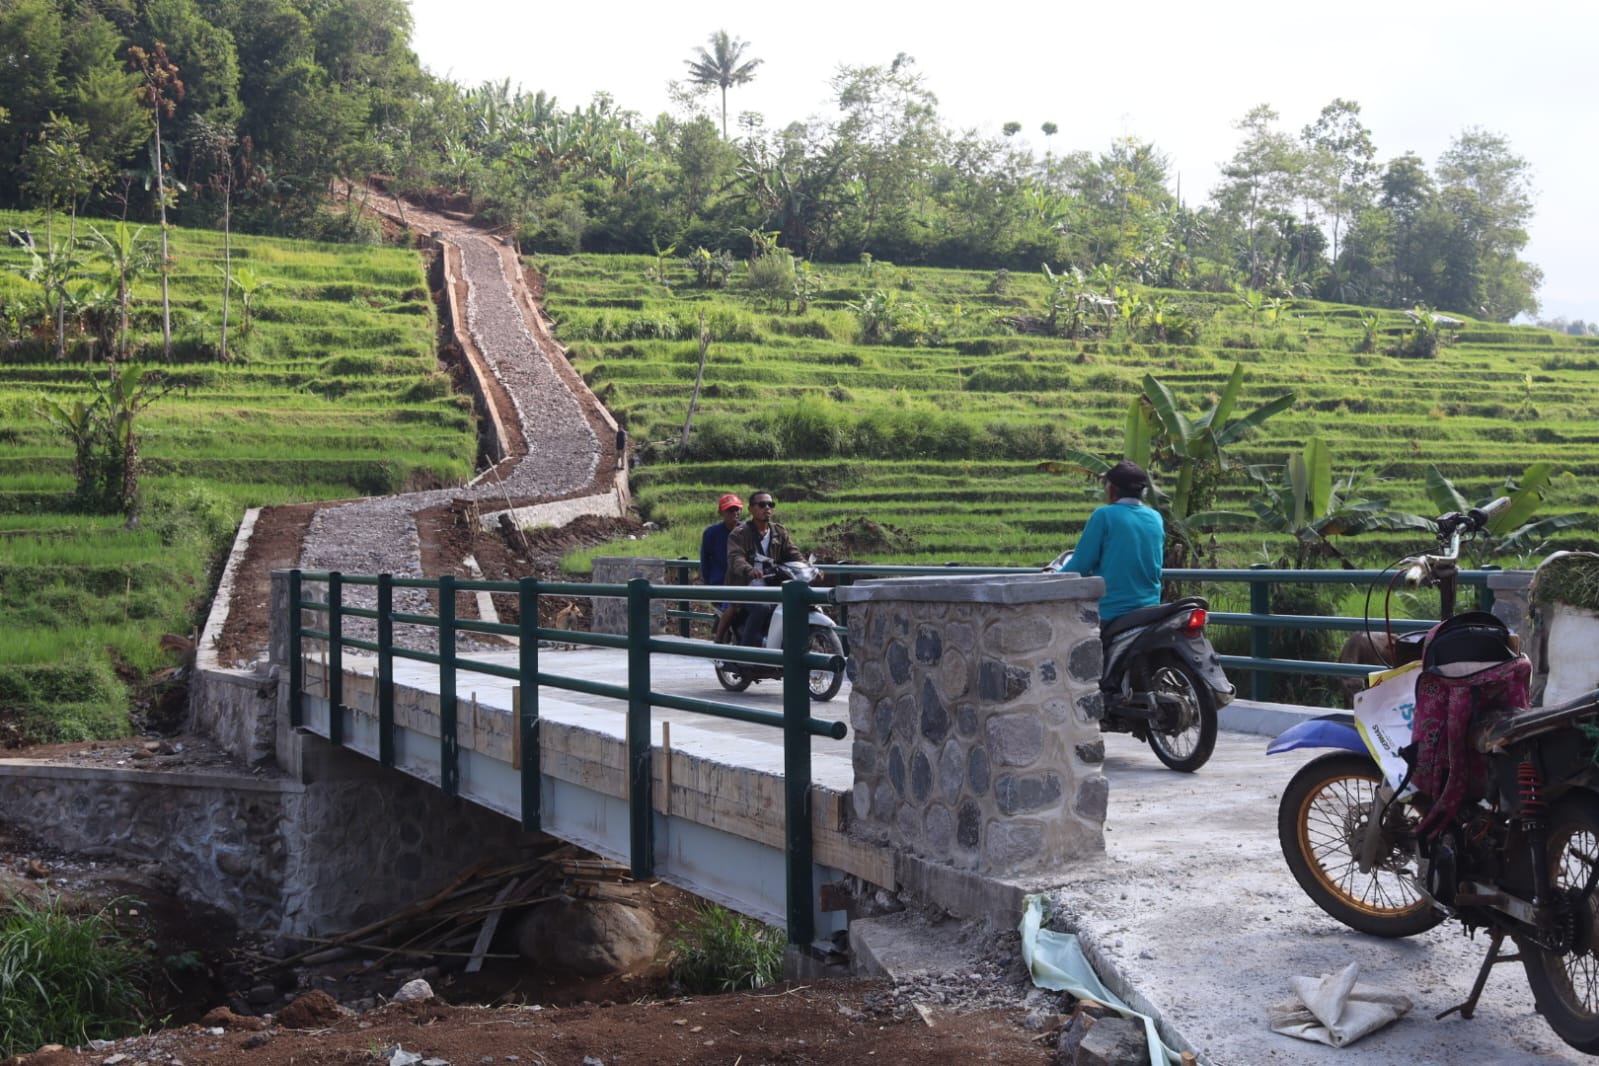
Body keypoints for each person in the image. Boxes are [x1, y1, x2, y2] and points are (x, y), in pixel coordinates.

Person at [1052, 460, 1164, 625]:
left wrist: (1052, 580)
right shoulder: (1155, 517)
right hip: (1149, 610)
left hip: (1111, 613)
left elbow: (1081, 564)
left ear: (1112, 489)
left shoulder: (1104, 515)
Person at [726, 491, 805, 646]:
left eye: (771, 504)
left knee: (795, 605)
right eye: (761, 505)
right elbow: (736, 558)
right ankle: (745, 652)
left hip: (773, 586)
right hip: (746, 586)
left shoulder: (779, 532)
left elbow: (793, 554)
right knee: (762, 608)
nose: (767, 508)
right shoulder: (739, 534)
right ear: (750, 509)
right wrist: (749, 570)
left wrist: (809, 568)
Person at [700, 493, 742, 639]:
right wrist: (708, 584)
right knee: (731, 607)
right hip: (721, 582)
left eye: (737, 510)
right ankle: (718, 642)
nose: (734, 513)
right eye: (730, 510)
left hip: (743, 581)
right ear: (721, 512)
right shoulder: (712, 533)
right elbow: (705, 560)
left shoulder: (747, 531)